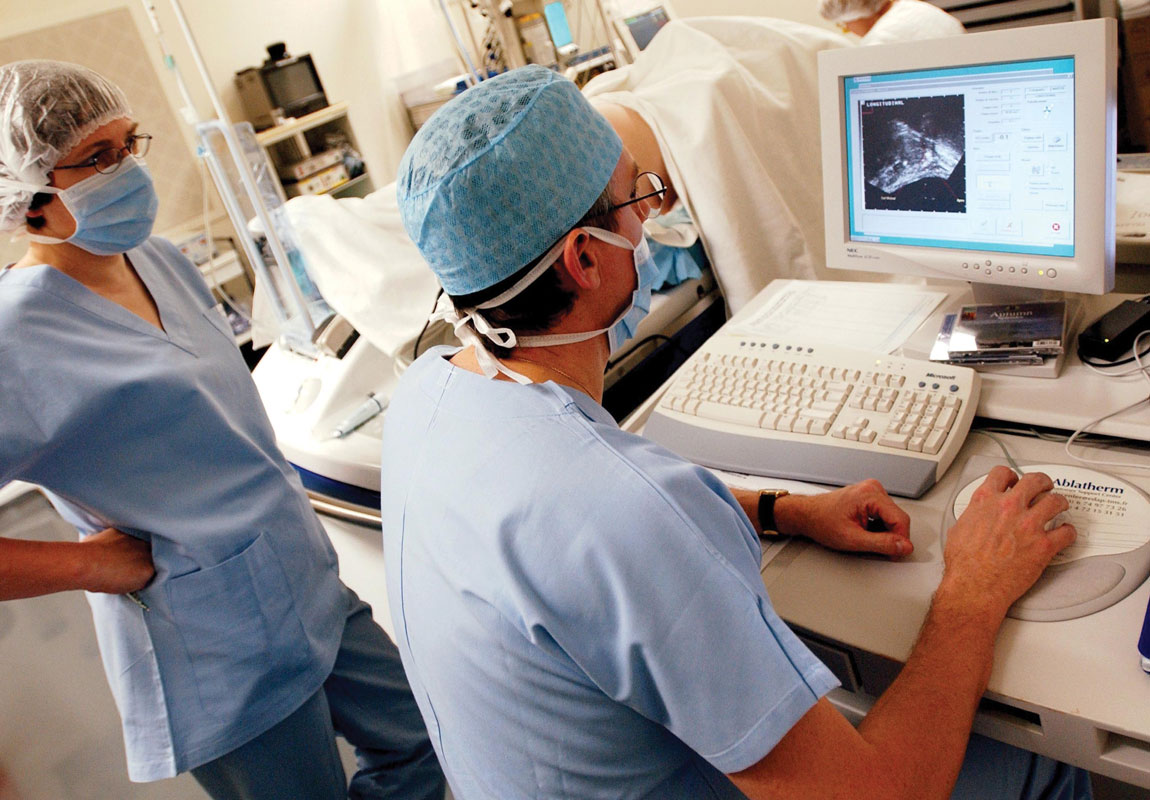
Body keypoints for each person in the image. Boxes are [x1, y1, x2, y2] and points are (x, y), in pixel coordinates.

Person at [381, 65, 1092, 799]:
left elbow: (573, 550)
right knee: (1040, 764)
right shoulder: (616, 512)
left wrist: (785, 510)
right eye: (635, 197)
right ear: (584, 259)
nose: (650, 218)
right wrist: (973, 592)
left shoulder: (428, 394)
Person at [0, 60, 443, 800]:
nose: (128, 170)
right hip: (210, 638)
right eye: (99, 158)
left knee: (421, 740)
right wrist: (87, 567)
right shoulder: (16, 339)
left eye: (128, 145)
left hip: (304, 580)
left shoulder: (156, 260)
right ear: (29, 198)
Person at [819, 0, 965, 44]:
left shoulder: (879, 40)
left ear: (855, 15)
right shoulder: (918, 8)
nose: (848, 30)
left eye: (844, 25)